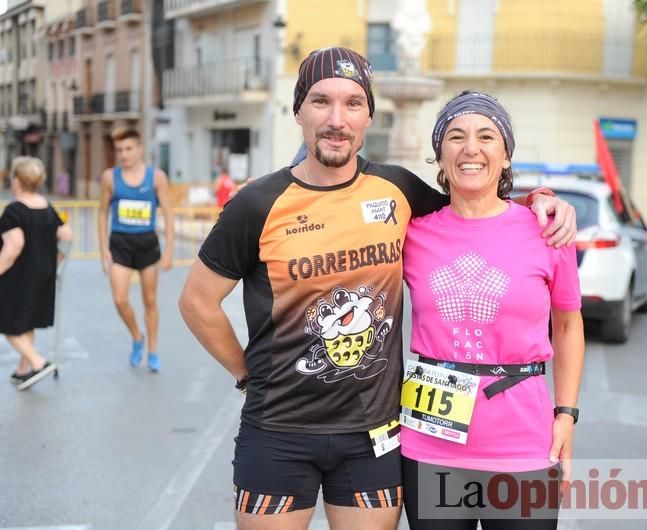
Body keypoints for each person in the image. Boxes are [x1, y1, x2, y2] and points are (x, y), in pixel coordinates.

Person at [178, 47, 576, 530]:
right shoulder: (257, 203)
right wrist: (248, 377)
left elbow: (478, 206)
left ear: (369, 114)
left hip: (374, 438)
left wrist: (542, 201)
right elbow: (197, 302)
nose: (336, 119)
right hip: (278, 431)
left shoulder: (399, 191)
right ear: (298, 109)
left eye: (352, 103)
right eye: (321, 101)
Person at [399, 91, 585, 529]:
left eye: (487, 136)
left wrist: (567, 414)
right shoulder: (412, 233)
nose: (471, 148)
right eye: (456, 137)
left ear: (505, 157)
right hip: (430, 445)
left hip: (523, 445)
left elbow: (569, 326)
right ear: (440, 156)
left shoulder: (547, 230)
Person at [98, 127, 174, 372]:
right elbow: (101, 214)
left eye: (128, 148)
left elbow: (170, 215)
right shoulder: (110, 177)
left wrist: (170, 251)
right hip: (119, 244)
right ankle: (136, 336)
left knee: (149, 300)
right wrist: (103, 250)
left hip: (146, 244)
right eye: (119, 150)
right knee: (120, 300)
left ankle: (152, 350)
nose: (124, 154)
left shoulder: (156, 177)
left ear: (140, 149)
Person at [0, 157, 73, 390]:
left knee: (8, 322)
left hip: (18, 274)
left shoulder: (14, 211)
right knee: (26, 320)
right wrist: (54, 263)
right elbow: (67, 235)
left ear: (18, 181)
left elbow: (14, 246)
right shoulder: (47, 206)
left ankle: (38, 362)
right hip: (43, 272)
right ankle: (24, 370)